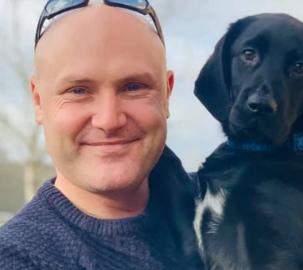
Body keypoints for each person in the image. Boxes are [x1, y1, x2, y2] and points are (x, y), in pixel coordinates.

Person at [0, 1, 201, 269]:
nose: (109, 120)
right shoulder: (18, 258)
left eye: (133, 86)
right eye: (78, 91)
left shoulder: (233, 208)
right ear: (38, 101)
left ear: (167, 94)